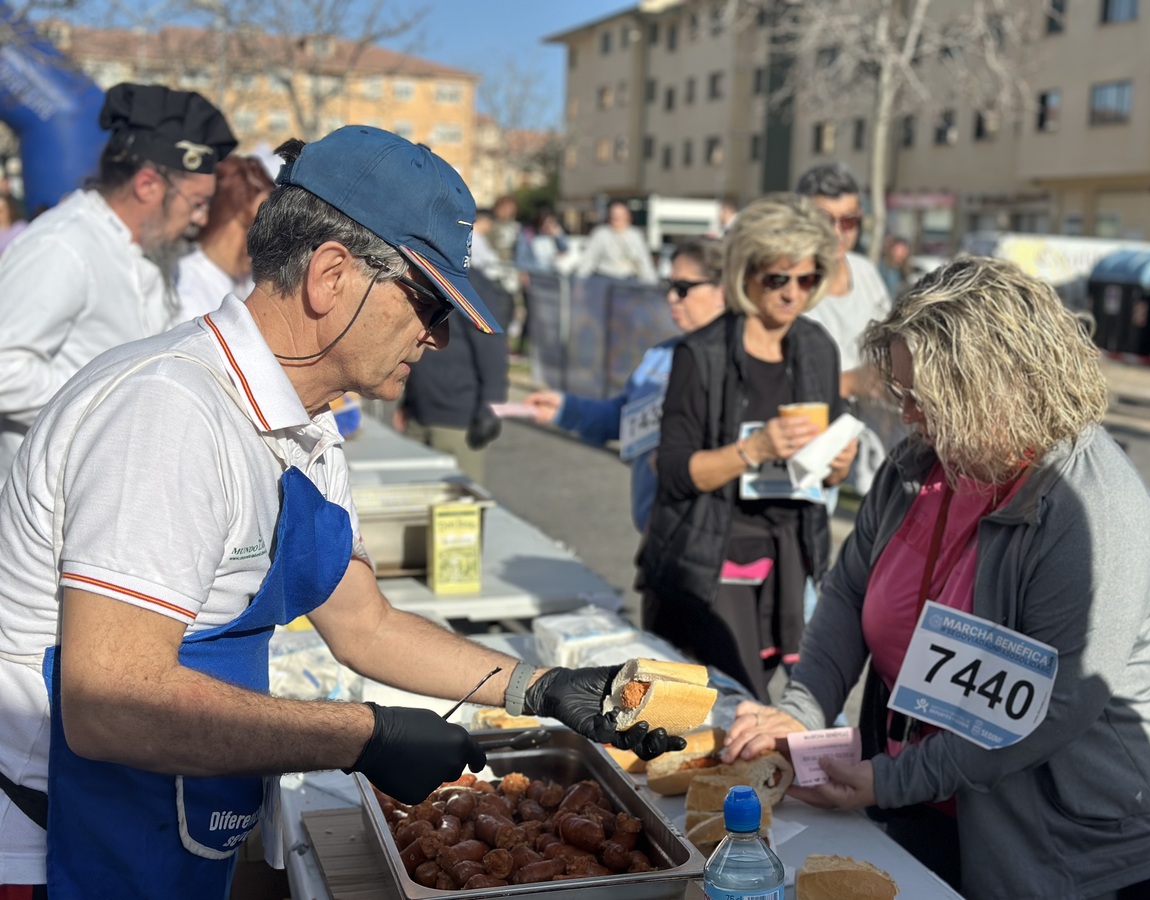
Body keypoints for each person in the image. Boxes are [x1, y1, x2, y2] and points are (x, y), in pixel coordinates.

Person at [0, 126, 682, 898]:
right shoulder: (169, 414)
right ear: (331, 275)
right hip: (63, 845)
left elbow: (365, 625)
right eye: (427, 301)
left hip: (175, 819)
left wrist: (544, 687)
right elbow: (110, 706)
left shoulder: (307, 422)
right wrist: (363, 735)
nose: (439, 335)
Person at [722, 257, 1150, 900]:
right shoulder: (921, 462)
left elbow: (1049, 711)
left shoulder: (1096, 511)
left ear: (998, 387)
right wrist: (800, 712)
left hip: (1070, 846)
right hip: (920, 797)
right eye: (902, 393)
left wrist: (891, 780)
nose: (910, 416)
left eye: (927, 398)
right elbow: (848, 594)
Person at [637, 194, 859, 702]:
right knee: (737, 705)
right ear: (747, 274)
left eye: (806, 279)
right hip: (713, 559)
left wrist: (835, 468)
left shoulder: (817, 346)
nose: (792, 294)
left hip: (790, 558)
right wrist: (752, 448)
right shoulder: (702, 353)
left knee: (787, 702)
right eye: (778, 279)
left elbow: (821, 465)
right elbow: (673, 471)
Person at [0, 82, 236, 484]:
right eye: (196, 202)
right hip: (45, 508)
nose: (201, 219)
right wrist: (110, 400)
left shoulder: (153, 252)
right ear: (147, 185)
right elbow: (5, 367)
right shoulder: (63, 245)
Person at [523, 239, 727, 532]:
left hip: (708, 539)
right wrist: (565, 409)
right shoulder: (660, 356)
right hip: (655, 537)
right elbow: (625, 419)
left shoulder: (740, 364)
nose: (671, 298)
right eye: (668, 286)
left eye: (682, 289)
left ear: (723, 292)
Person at [796, 163, 895, 496]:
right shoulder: (786, 282)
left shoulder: (865, 271)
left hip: (863, 445)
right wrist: (852, 381)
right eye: (825, 220)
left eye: (849, 220)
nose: (838, 232)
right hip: (805, 450)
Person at [393, 307, 509, 486]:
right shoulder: (427, 281)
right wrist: (407, 402)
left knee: (459, 504)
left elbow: (492, 349)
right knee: (414, 493)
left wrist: (489, 413)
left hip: (458, 423)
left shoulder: (472, 285)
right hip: (418, 416)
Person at [171, 153, 275, 325]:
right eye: (248, 227)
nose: (258, 242)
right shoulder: (186, 293)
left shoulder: (249, 280)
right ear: (218, 217)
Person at [575, 199, 657, 284]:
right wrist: (579, 282)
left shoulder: (635, 235)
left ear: (628, 216)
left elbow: (644, 262)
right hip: (605, 280)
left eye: (620, 215)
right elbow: (588, 259)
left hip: (628, 281)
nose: (617, 218)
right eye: (614, 214)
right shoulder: (601, 234)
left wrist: (652, 284)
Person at [877, 234, 911, 299]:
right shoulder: (883, 268)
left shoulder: (902, 271)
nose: (901, 254)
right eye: (898, 250)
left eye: (904, 251)